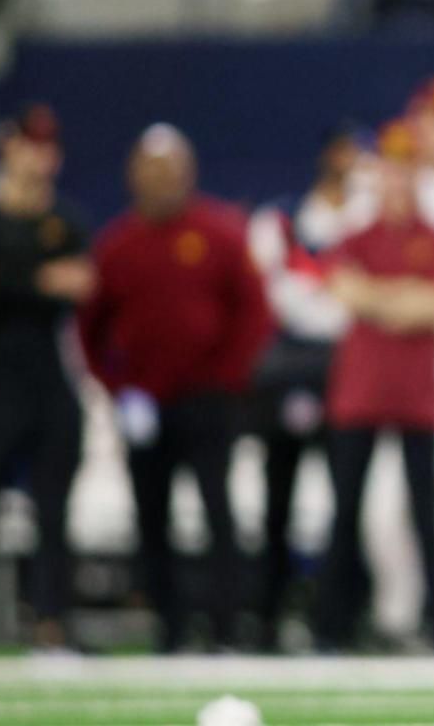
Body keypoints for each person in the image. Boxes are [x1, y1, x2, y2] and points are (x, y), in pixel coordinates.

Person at [77, 124, 273, 651]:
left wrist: (229, 376)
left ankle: (229, 628)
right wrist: (118, 387)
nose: (161, 180)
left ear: (188, 174)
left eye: (169, 170)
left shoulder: (220, 233)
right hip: (144, 403)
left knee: (217, 511)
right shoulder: (118, 244)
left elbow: (254, 312)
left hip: (210, 398)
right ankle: (171, 627)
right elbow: (88, 328)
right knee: (152, 515)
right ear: (133, 176)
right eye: (151, 170)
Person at [0, 105, 94, 653]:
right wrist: (34, 280)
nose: (40, 157)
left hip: (49, 378)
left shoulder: (66, 222)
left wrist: (3, 283)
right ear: (9, 146)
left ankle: (52, 625)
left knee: (54, 513)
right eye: (31, 144)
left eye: (49, 146)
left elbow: (77, 287)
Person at [315, 121, 434, 650]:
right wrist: (399, 296)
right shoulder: (355, 237)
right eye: (390, 170)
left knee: (427, 514)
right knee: (345, 512)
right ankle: (331, 626)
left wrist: (379, 297)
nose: (397, 181)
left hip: (416, 397)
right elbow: (345, 291)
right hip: (359, 394)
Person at [243, 125, 361, 647]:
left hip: (347, 368)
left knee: (348, 499)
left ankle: (336, 618)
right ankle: (267, 613)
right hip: (285, 368)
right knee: (277, 498)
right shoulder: (280, 220)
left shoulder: (369, 225)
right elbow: (265, 295)